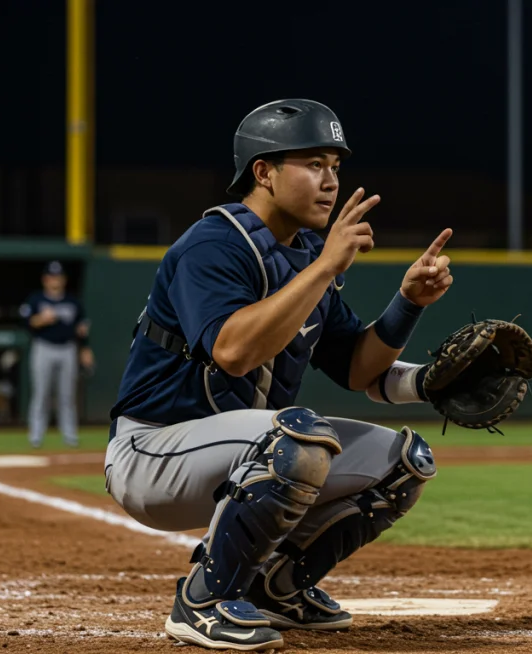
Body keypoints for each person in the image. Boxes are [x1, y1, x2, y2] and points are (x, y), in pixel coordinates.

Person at [104, 99, 453, 650]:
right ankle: (203, 601)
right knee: (297, 437)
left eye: (336, 166)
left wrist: (407, 304)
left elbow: (359, 368)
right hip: (152, 453)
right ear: (263, 172)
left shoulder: (305, 255)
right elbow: (234, 351)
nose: (331, 180)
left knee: (403, 463)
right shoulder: (214, 245)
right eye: (313, 164)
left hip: (243, 452)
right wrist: (325, 267)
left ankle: (277, 587)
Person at [19, 260, 94, 448]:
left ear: (64, 280)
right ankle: (36, 435)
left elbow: (82, 328)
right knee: (41, 393)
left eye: (58, 277)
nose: (55, 280)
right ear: (45, 279)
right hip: (43, 347)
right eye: (52, 277)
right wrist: (41, 319)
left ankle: (69, 435)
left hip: (67, 349)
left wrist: (85, 348)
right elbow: (26, 323)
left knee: (67, 395)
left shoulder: (72, 302)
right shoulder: (36, 299)